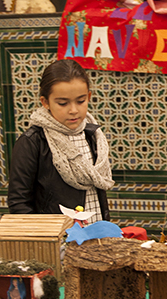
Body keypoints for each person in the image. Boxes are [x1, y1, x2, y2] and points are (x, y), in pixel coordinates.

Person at [8, 59, 113, 223]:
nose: (73, 110)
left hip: (96, 232)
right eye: (62, 103)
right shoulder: (32, 142)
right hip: (56, 239)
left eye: (81, 101)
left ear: (89, 97)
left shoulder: (94, 136)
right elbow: (19, 203)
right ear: (45, 102)